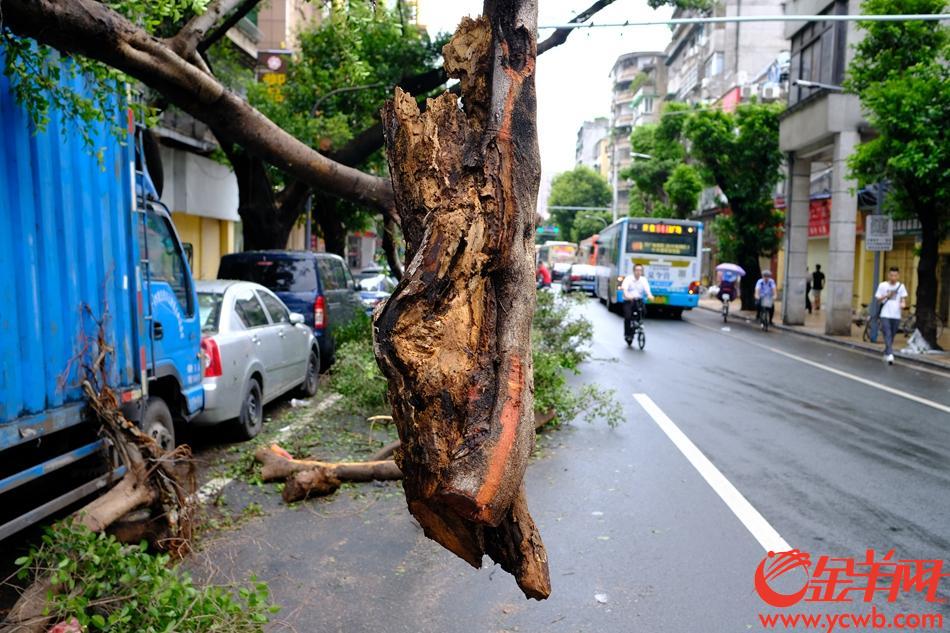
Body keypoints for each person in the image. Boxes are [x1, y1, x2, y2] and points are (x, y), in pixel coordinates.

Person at [875, 266, 908, 365]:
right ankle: (890, 355)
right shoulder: (882, 285)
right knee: (887, 334)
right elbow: (878, 300)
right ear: (888, 275)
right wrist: (886, 295)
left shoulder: (901, 286)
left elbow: (903, 299)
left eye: (895, 275)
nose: (893, 277)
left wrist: (903, 304)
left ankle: (886, 353)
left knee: (892, 335)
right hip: (885, 314)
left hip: (896, 315)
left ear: (898, 276)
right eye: (891, 275)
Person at [621, 264, 654, 339]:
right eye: (637, 270)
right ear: (634, 271)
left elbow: (647, 290)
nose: (638, 272)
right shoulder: (628, 279)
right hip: (629, 300)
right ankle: (627, 334)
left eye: (640, 270)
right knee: (628, 316)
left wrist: (650, 295)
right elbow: (625, 290)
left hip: (638, 300)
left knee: (643, 311)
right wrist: (628, 296)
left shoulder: (643, 280)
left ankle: (638, 323)